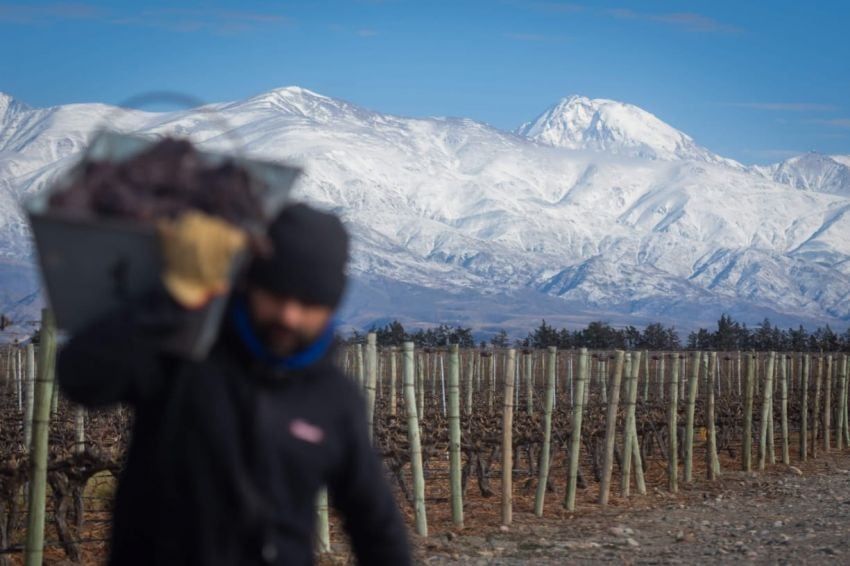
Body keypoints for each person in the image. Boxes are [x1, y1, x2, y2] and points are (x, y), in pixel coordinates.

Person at [57, 203, 412, 565]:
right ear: (250, 282)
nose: (289, 316)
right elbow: (81, 379)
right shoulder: (186, 357)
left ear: (331, 305)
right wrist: (171, 299)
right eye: (277, 294)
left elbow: (376, 527)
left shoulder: (334, 401)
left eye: (308, 303)